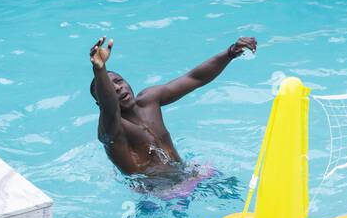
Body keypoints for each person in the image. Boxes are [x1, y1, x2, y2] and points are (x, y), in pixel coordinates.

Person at [88, 34, 256, 177]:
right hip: (158, 194)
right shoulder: (111, 129)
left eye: (119, 81)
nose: (117, 88)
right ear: (100, 101)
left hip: (185, 173)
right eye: (110, 87)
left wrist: (230, 53)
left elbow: (195, 78)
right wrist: (99, 69)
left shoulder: (149, 100)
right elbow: (109, 108)